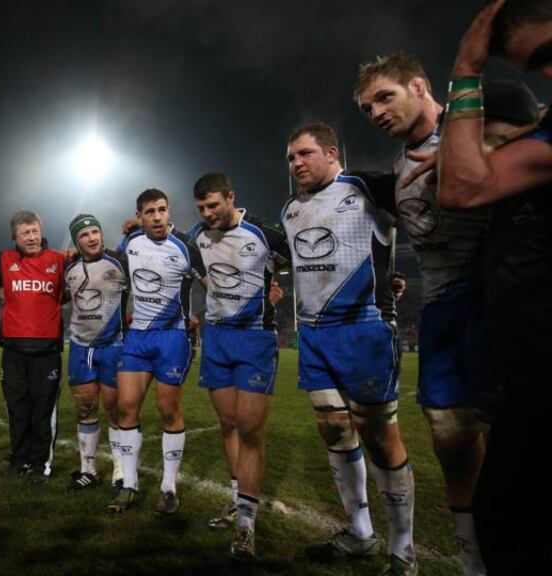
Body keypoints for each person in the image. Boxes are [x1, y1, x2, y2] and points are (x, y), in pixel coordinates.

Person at [355, 53, 489, 575]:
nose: (377, 112)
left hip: (494, 300)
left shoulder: (476, 125)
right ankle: (470, 561)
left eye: (385, 97)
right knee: (451, 441)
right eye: (368, 109)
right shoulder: (398, 165)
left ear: (419, 85)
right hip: (440, 310)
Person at [434, 1, 552, 570]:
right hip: (529, 376)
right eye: (537, 65)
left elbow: (460, 186)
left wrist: (466, 67)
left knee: (507, 518)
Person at [282, 123, 416, 575]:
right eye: (290, 157)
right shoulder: (290, 211)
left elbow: (420, 206)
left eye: (304, 153)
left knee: (381, 437)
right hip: (315, 335)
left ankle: (403, 551)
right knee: (335, 431)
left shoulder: (368, 187)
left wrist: (393, 276)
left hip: (365, 329)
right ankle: (360, 535)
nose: (296, 163)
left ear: (332, 152)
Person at [186, 173, 289, 561]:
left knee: (249, 428)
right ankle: (236, 501)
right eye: (201, 208)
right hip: (216, 338)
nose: (208, 214)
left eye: (213, 205)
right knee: (227, 423)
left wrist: (275, 286)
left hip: (254, 339)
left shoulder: (264, 233)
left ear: (231, 197)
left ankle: (247, 527)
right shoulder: (197, 236)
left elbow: (298, 257)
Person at [108, 188, 204, 514]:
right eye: (150, 212)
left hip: (172, 338)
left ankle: (168, 486)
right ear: (140, 216)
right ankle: (130, 485)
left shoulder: (187, 247)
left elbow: (213, 283)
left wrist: (199, 318)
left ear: (169, 210)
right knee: (126, 409)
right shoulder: (129, 243)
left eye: (162, 209)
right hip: (137, 338)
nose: (158, 216)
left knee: (168, 411)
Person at [0, 211, 66, 482]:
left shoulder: (59, 260)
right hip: (12, 349)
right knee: (17, 408)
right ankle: (19, 457)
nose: (32, 237)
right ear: (15, 237)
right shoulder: (3, 259)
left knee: (44, 410)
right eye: (26, 233)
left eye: (35, 231)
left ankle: (41, 463)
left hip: (46, 350)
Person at [62, 214, 128, 492]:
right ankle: (88, 470)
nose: (92, 238)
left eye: (95, 232)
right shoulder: (69, 269)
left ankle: (120, 472)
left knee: (116, 410)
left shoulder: (120, 261)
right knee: (85, 410)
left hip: (113, 347)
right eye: (85, 234)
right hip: (80, 348)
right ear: (77, 241)